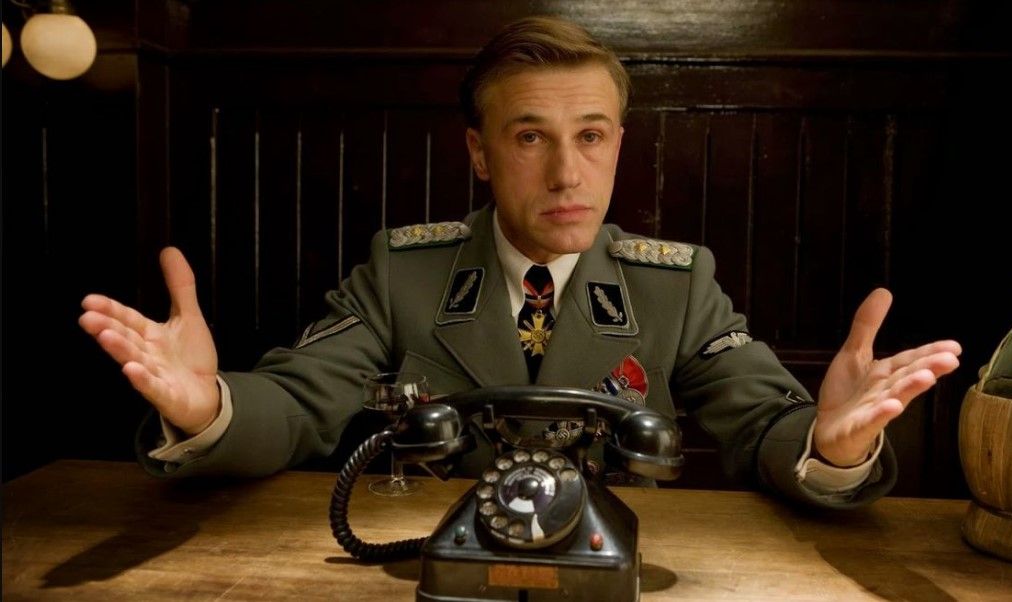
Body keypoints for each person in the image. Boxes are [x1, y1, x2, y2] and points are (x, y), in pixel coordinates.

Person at [78, 16, 960, 508]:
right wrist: (210, 409)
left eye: (591, 136)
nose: (567, 173)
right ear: (480, 152)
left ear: (618, 144)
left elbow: (766, 422)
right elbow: (299, 403)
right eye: (530, 137)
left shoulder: (675, 283)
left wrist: (829, 449)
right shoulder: (404, 272)